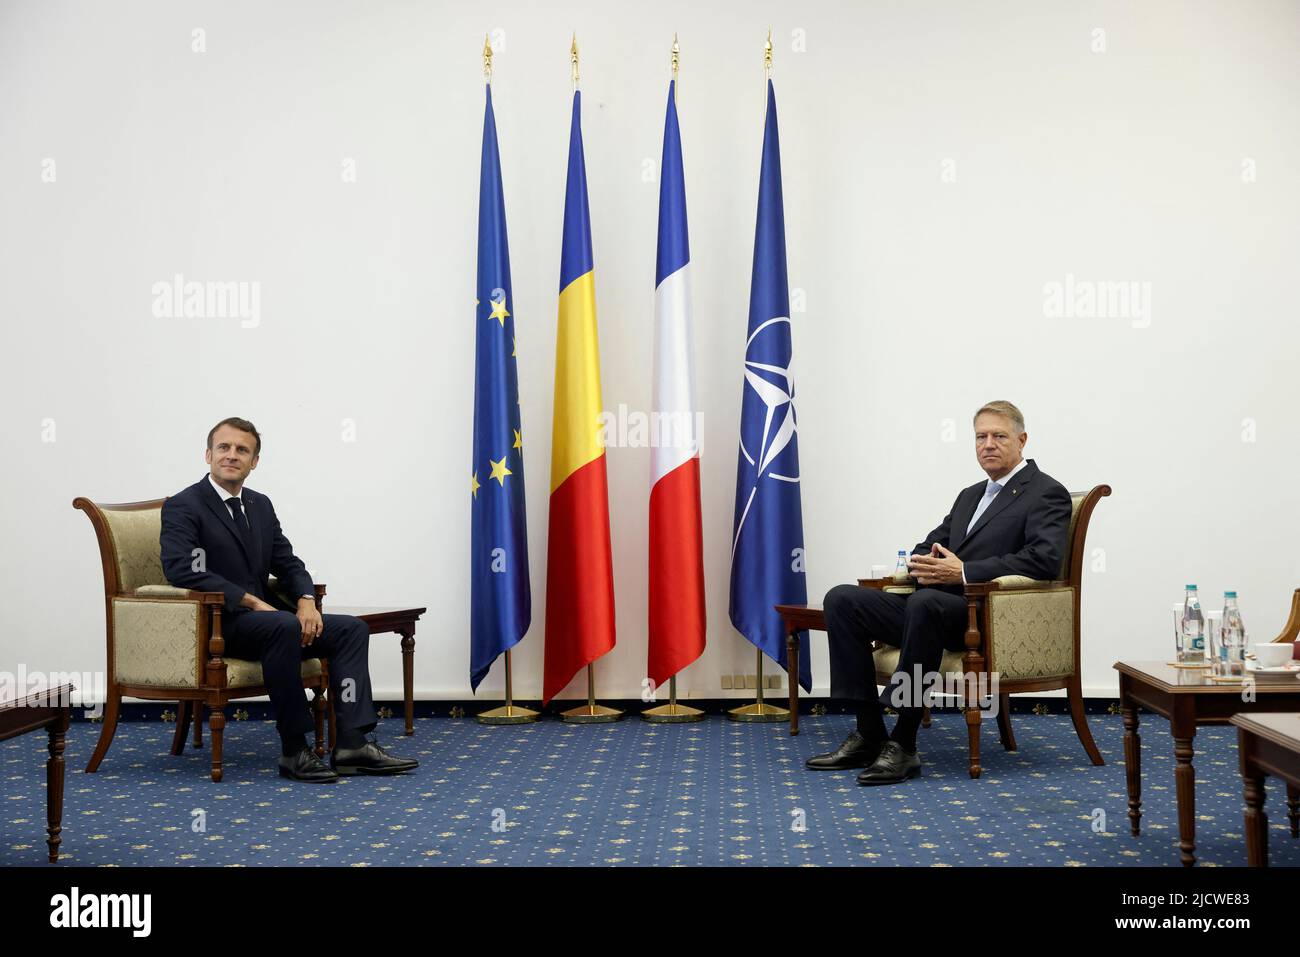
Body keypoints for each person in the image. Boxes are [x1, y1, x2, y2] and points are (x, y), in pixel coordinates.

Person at [808, 400, 1071, 785]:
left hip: (985, 617)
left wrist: (962, 571)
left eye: (999, 436)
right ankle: (869, 732)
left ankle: (904, 743)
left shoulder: (1046, 492)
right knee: (843, 599)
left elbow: (1043, 559)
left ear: (1022, 440)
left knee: (927, 603)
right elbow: (933, 542)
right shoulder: (969, 495)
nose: (989, 444)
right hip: (934, 610)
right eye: (981, 437)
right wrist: (924, 562)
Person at [160, 416, 418, 782]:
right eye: (224, 447)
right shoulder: (185, 506)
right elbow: (181, 569)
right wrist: (248, 600)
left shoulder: (260, 505)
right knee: (281, 625)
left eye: (242, 450)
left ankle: (351, 744)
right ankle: (294, 750)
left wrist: (305, 598)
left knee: (350, 630)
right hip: (220, 623)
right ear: (208, 455)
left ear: (254, 462)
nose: (232, 455)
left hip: (269, 622)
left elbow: (288, 562)